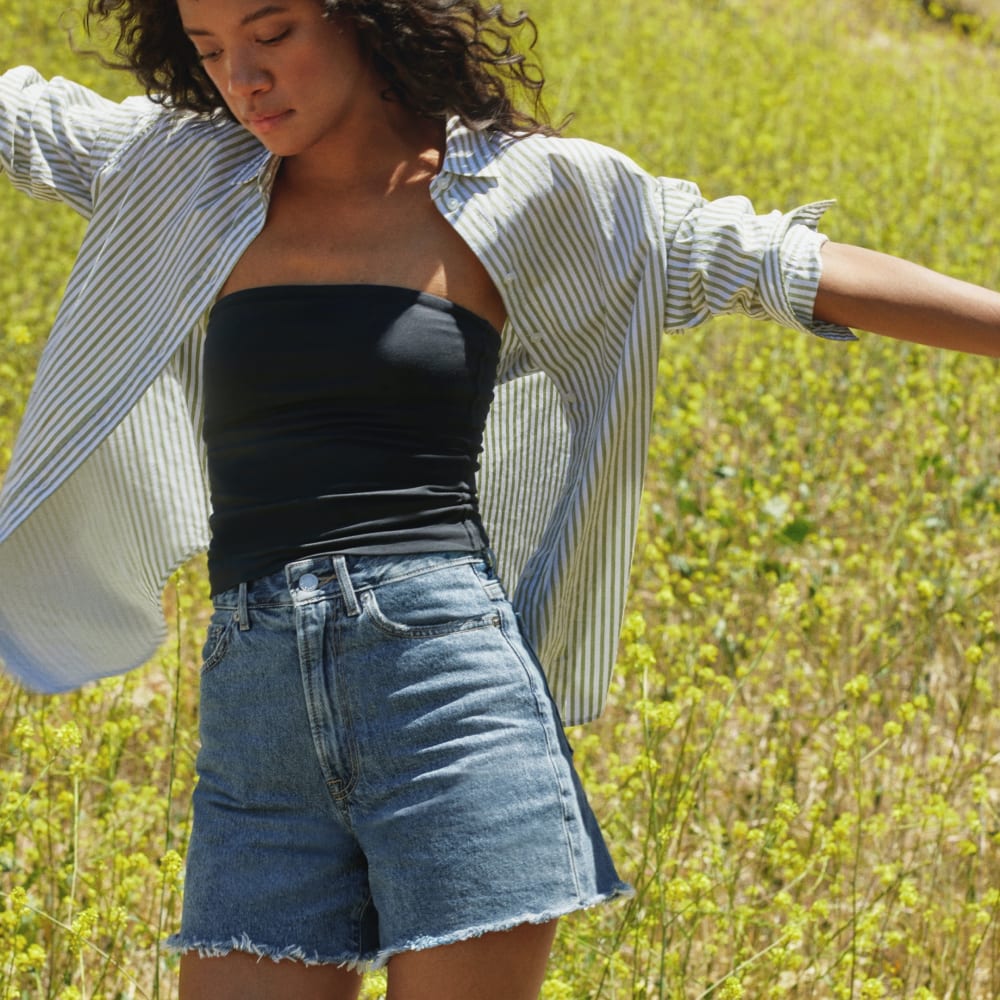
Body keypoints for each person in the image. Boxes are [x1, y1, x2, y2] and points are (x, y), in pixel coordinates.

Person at [0, 1, 997, 997]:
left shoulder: (530, 190)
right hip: (256, 724)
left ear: (364, 19)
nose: (242, 80)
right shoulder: (183, 171)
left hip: (447, 699)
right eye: (211, 50)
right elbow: (24, 121)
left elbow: (782, 262)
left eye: (273, 35)